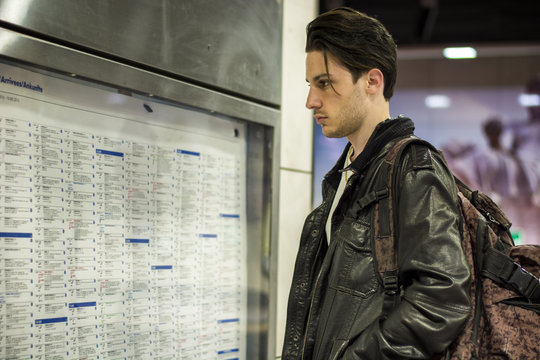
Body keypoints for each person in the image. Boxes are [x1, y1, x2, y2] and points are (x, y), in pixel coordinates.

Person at [282, 7, 471, 359]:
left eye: (325, 83)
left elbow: (441, 301)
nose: (311, 101)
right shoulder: (348, 177)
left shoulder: (414, 169)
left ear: (372, 81)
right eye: (311, 85)